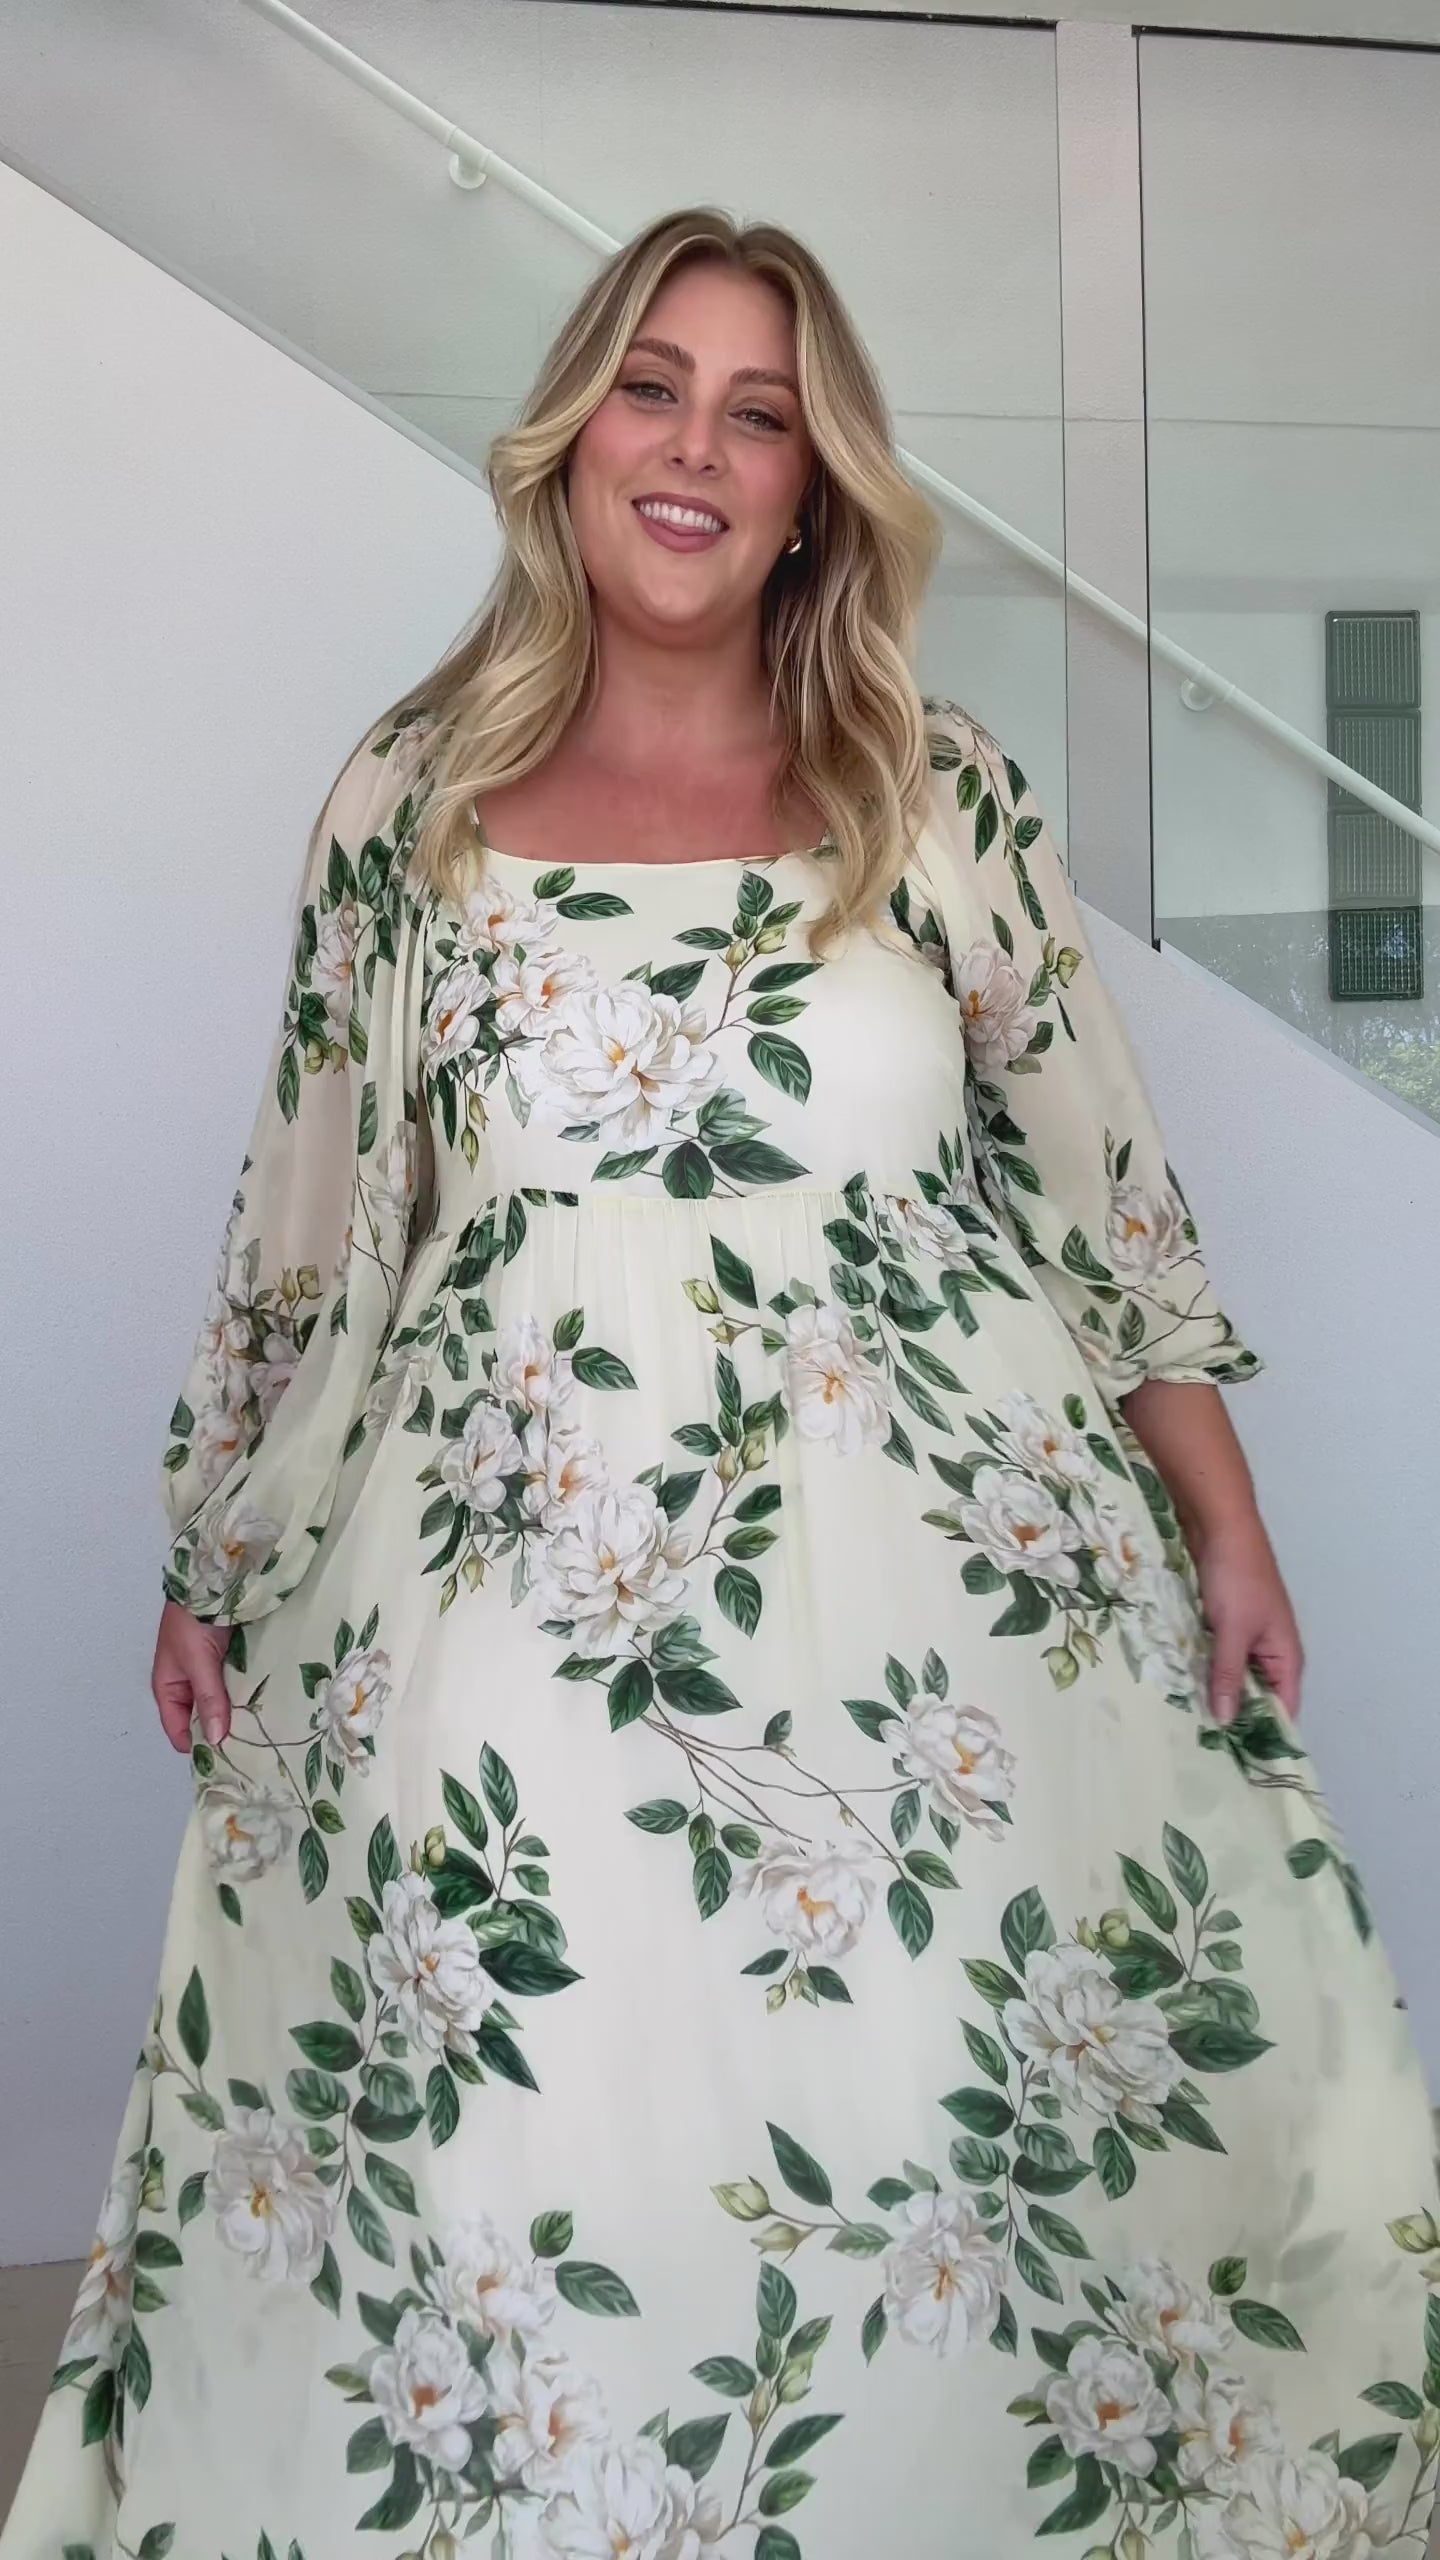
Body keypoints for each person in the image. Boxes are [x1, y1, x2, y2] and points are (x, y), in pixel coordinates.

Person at [4, 205, 1436, 2560]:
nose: (695, 448)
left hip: (939, 1617)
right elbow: (309, 1203)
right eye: (653, 390)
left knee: (922, 2129)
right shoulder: (409, 801)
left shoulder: (934, 789)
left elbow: (1103, 1187)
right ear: (573, 441)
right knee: (536, 2121)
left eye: (758, 415)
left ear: (810, 488)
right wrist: (215, 1535)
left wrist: (1229, 1514)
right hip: (505, 1585)